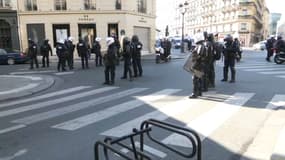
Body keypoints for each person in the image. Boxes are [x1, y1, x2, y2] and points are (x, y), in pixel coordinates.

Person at [188, 31, 207, 98]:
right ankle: (199, 92)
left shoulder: (200, 46)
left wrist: (193, 53)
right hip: (200, 64)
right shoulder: (201, 46)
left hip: (198, 65)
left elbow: (198, 56)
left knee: (195, 79)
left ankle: (195, 93)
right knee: (199, 79)